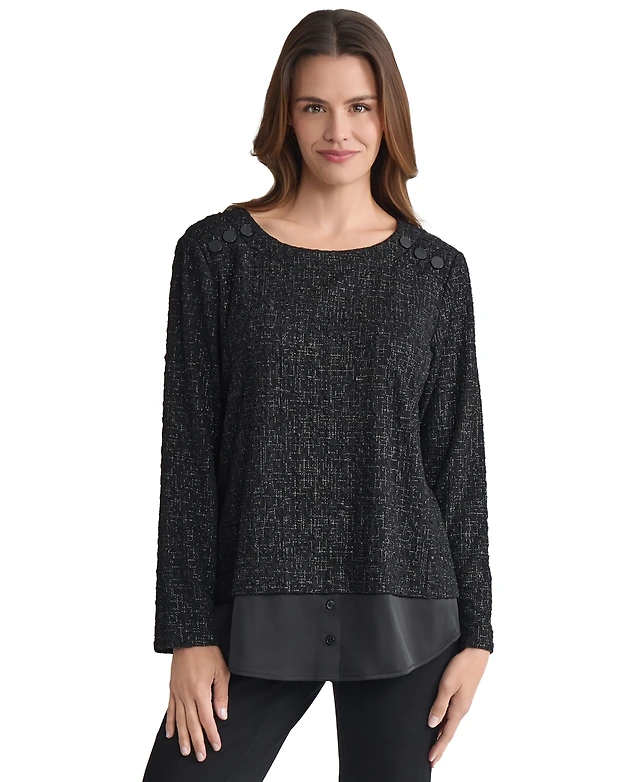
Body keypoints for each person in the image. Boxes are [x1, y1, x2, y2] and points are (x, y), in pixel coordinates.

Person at [142, 9, 494, 782]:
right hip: (249, 611)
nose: (338, 130)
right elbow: (187, 453)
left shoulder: (435, 273)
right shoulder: (216, 257)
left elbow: (457, 458)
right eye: (314, 106)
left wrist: (478, 637)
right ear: (287, 116)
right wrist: (187, 631)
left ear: (387, 115)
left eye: (360, 106)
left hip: (409, 613)